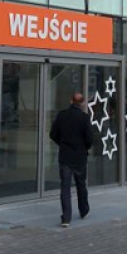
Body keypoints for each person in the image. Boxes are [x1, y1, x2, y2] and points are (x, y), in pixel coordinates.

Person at [49, 92, 93, 228]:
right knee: (81, 184)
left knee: (65, 187)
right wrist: (84, 147)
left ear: (71, 101)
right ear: (83, 103)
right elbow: (90, 138)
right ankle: (84, 210)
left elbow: (53, 134)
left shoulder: (62, 115)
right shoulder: (84, 118)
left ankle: (66, 218)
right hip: (79, 156)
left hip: (65, 156)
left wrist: (62, 144)